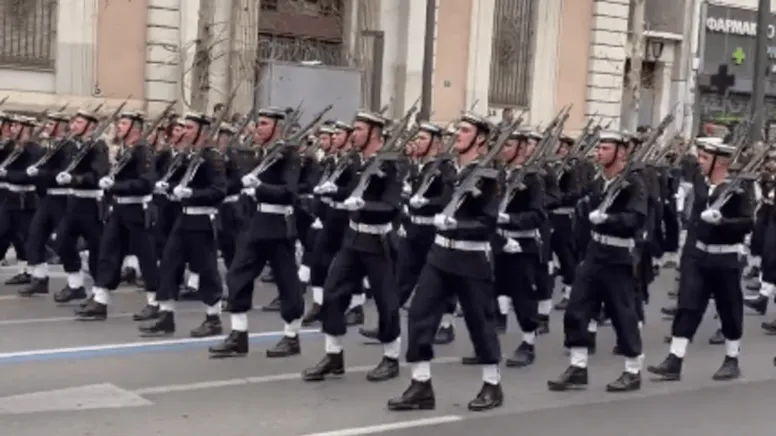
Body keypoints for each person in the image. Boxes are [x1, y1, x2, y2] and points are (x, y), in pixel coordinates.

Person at [387, 112, 503, 412]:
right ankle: (421, 384)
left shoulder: (489, 175)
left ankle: (492, 384)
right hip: (440, 255)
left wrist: (455, 226)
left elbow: (487, 223)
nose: (458, 135)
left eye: (464, 131)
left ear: (480, 138)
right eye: (457, 130)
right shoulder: (451, 169)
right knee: (419, 315)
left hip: (471, 257)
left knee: (480, 322)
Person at [302, 110, 402, 383]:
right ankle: (333, 355)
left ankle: (391, 357)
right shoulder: (358, 162)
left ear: (373, 134)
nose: (353, 134)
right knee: (333, 294)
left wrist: (365, 206)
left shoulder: (391, 163)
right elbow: (349, 192)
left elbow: (392, 205)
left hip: (379, 240)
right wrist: (335, 193)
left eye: (359, 129)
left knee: (386, 302)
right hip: (354, 238)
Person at [547, 130, 647, 393]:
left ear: (621, 153)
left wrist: (611, 220)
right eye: (599, 148)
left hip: (618, 256)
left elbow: (636, 218)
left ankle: (632, 370)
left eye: (605, 148)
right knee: (577, 309)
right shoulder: (598, 181)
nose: (598, 152)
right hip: (594, 253)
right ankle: (578, 367)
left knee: (622, 313)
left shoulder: (634, 182)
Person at [648, 138, 753, 381]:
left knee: (729, 308)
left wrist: (723, 222)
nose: (700, 161)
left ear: (720, 163)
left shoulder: (739, 189)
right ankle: (674, 359)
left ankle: (732, 359)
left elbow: (749, 222)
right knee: (688, 306)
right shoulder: (701, 182)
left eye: (705, 158)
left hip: (725, 257)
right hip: (699, 255)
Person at [209, 108, 305, 358]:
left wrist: (261, 187)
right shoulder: (258, 154)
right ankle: (238, 335)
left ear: (277, 128)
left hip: (278, 227)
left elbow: (289, 193)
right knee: (237, 276)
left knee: (287, 284)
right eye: (258, 123)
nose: (258, 128)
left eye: (264, 124)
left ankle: (291, 336)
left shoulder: (289, 155)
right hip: (255, 224)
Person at [138, 112, 227, 337]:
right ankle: (166, 316)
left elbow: (218, 191)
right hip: (184, 218)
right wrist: (166, 187)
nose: (185, 131)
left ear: (202, 131)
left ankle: (213, 318)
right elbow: (176, 180)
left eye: (189, 127)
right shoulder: (188, 156)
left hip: (203, 220)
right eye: (185, 127)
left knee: (207, 270)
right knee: (169, 264)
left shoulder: (212, 158)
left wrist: (191, 193)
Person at [76, 111, 158, 320]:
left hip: (138, 210)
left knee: (146, 258)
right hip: (119, 209)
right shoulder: (124, 150)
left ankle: (155, 301)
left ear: (135, 129)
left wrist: (117, 185)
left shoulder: (142, 151)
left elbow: (147, 183)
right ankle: (101, 299)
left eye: (123, 123)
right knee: (108, 253)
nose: (118, 127)